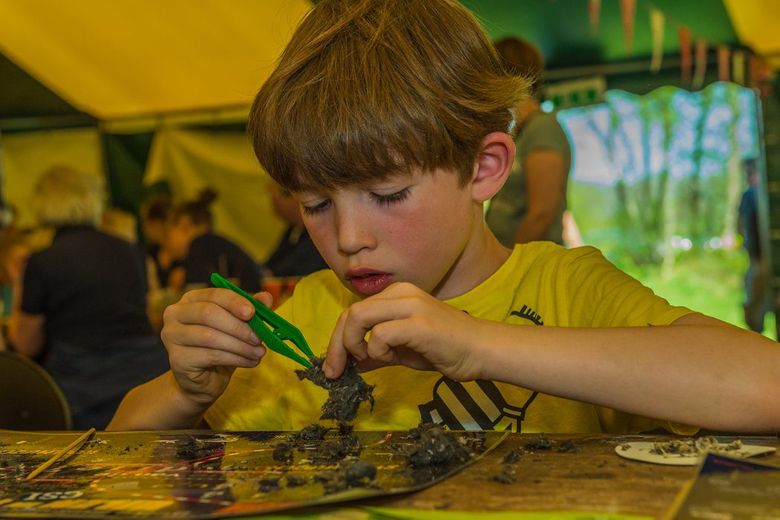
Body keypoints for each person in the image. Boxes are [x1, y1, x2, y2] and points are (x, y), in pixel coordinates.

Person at [109, 0, 780, 434]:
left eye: (388, 194)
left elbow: (765, 384)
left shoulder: (564, 292)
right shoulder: (310, 317)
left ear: (484, 168)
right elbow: (111, 456)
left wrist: (476, 343)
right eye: (315, 204)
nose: (348, 239)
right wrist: (186, 391)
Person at [10, 166, 168, 429]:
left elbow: (26, 345)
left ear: (42, 203)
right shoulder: (131, 251)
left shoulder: (43, 261)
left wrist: (18, 282)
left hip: (81, 391)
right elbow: (146, 313)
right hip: (147, 380)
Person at [485, 37, 570, 246]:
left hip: (531, 260)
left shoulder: (542, 128)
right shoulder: (519, 132)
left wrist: (512, 260)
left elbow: (542, 212)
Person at [165, 189, 261, 293]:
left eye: (169, 231)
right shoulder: (214, 246)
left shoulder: (201, 244)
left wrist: (182, 283)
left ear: (185, 225)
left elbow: (200, 291)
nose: (168, 240)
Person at [264, 183, 328, 278]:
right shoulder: (292, 230)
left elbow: (291, 271)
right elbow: (271, 264)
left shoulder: (316, 232)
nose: (275, 205)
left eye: (283, 195)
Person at [738, 158, 770, 333]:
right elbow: (742, 226)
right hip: (757, 259)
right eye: (747, 173)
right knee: (755, 304)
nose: (749, 176)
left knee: (755, 301)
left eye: (752, 172)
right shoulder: (749, 195)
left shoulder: (755, 195)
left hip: (762, 261)